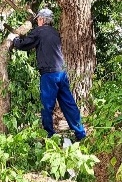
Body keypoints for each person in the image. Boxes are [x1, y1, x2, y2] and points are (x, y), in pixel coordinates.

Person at [11, 8, 87, 141]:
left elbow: (25, 45)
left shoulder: (39, 31)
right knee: (69, 104)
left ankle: (49, 136)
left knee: (46, 106)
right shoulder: (54, 32)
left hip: (49, 75)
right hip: (61, 73)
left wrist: (14, 40)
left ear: (41, 19)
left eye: (38, 20)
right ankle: (81, 134)